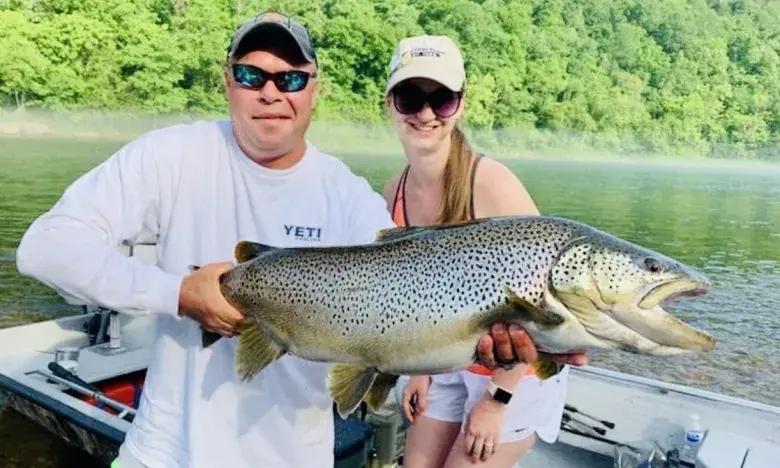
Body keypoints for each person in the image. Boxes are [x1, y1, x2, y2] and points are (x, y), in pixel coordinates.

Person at [15, 13, 568, 468]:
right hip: (162, 452)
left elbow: (409, 318)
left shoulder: (348, 199)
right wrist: (178, 294)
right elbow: (45, 247)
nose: (272, 92)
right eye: (253, 76)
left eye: (292, 78)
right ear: (228, 81)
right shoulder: (168, 157)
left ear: (314, 91)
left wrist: (493, 349)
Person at [382, 35, 570, 468]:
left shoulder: (490, 183)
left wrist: (497, 400)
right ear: (390, 103)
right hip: (449, 357)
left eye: (442, 100)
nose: (426, 114)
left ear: (461, 104)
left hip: (516, 375)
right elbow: (419, 299)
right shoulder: (393, 191)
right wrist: (419, 370)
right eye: (411, 98)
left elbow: (539, 311)